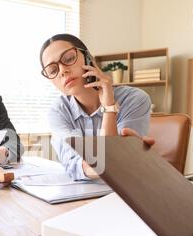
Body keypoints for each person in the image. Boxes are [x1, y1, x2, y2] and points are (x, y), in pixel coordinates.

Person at [40, 34, 155, 180]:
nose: (62, 70)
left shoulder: (134, 99)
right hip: (82, 195)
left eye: (69, 59)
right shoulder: (58, 111)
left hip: (130, 190)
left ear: (89, 58)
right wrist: (102, 164)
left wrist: (109, 107)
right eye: (52, 70)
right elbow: (74, 163)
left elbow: (117, 166)